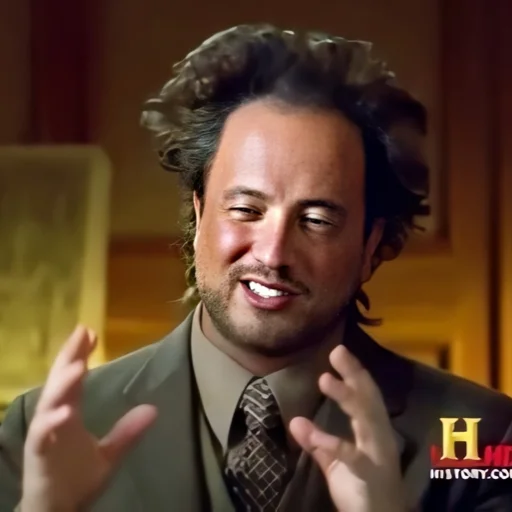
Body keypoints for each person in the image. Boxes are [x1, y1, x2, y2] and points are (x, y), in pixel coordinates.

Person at [1, 23, 511, 512]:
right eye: (245, 210)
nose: (272, 254)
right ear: (199, 213)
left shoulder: (478, 434)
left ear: (370, 244)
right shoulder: (44, 432)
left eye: (316, 220)